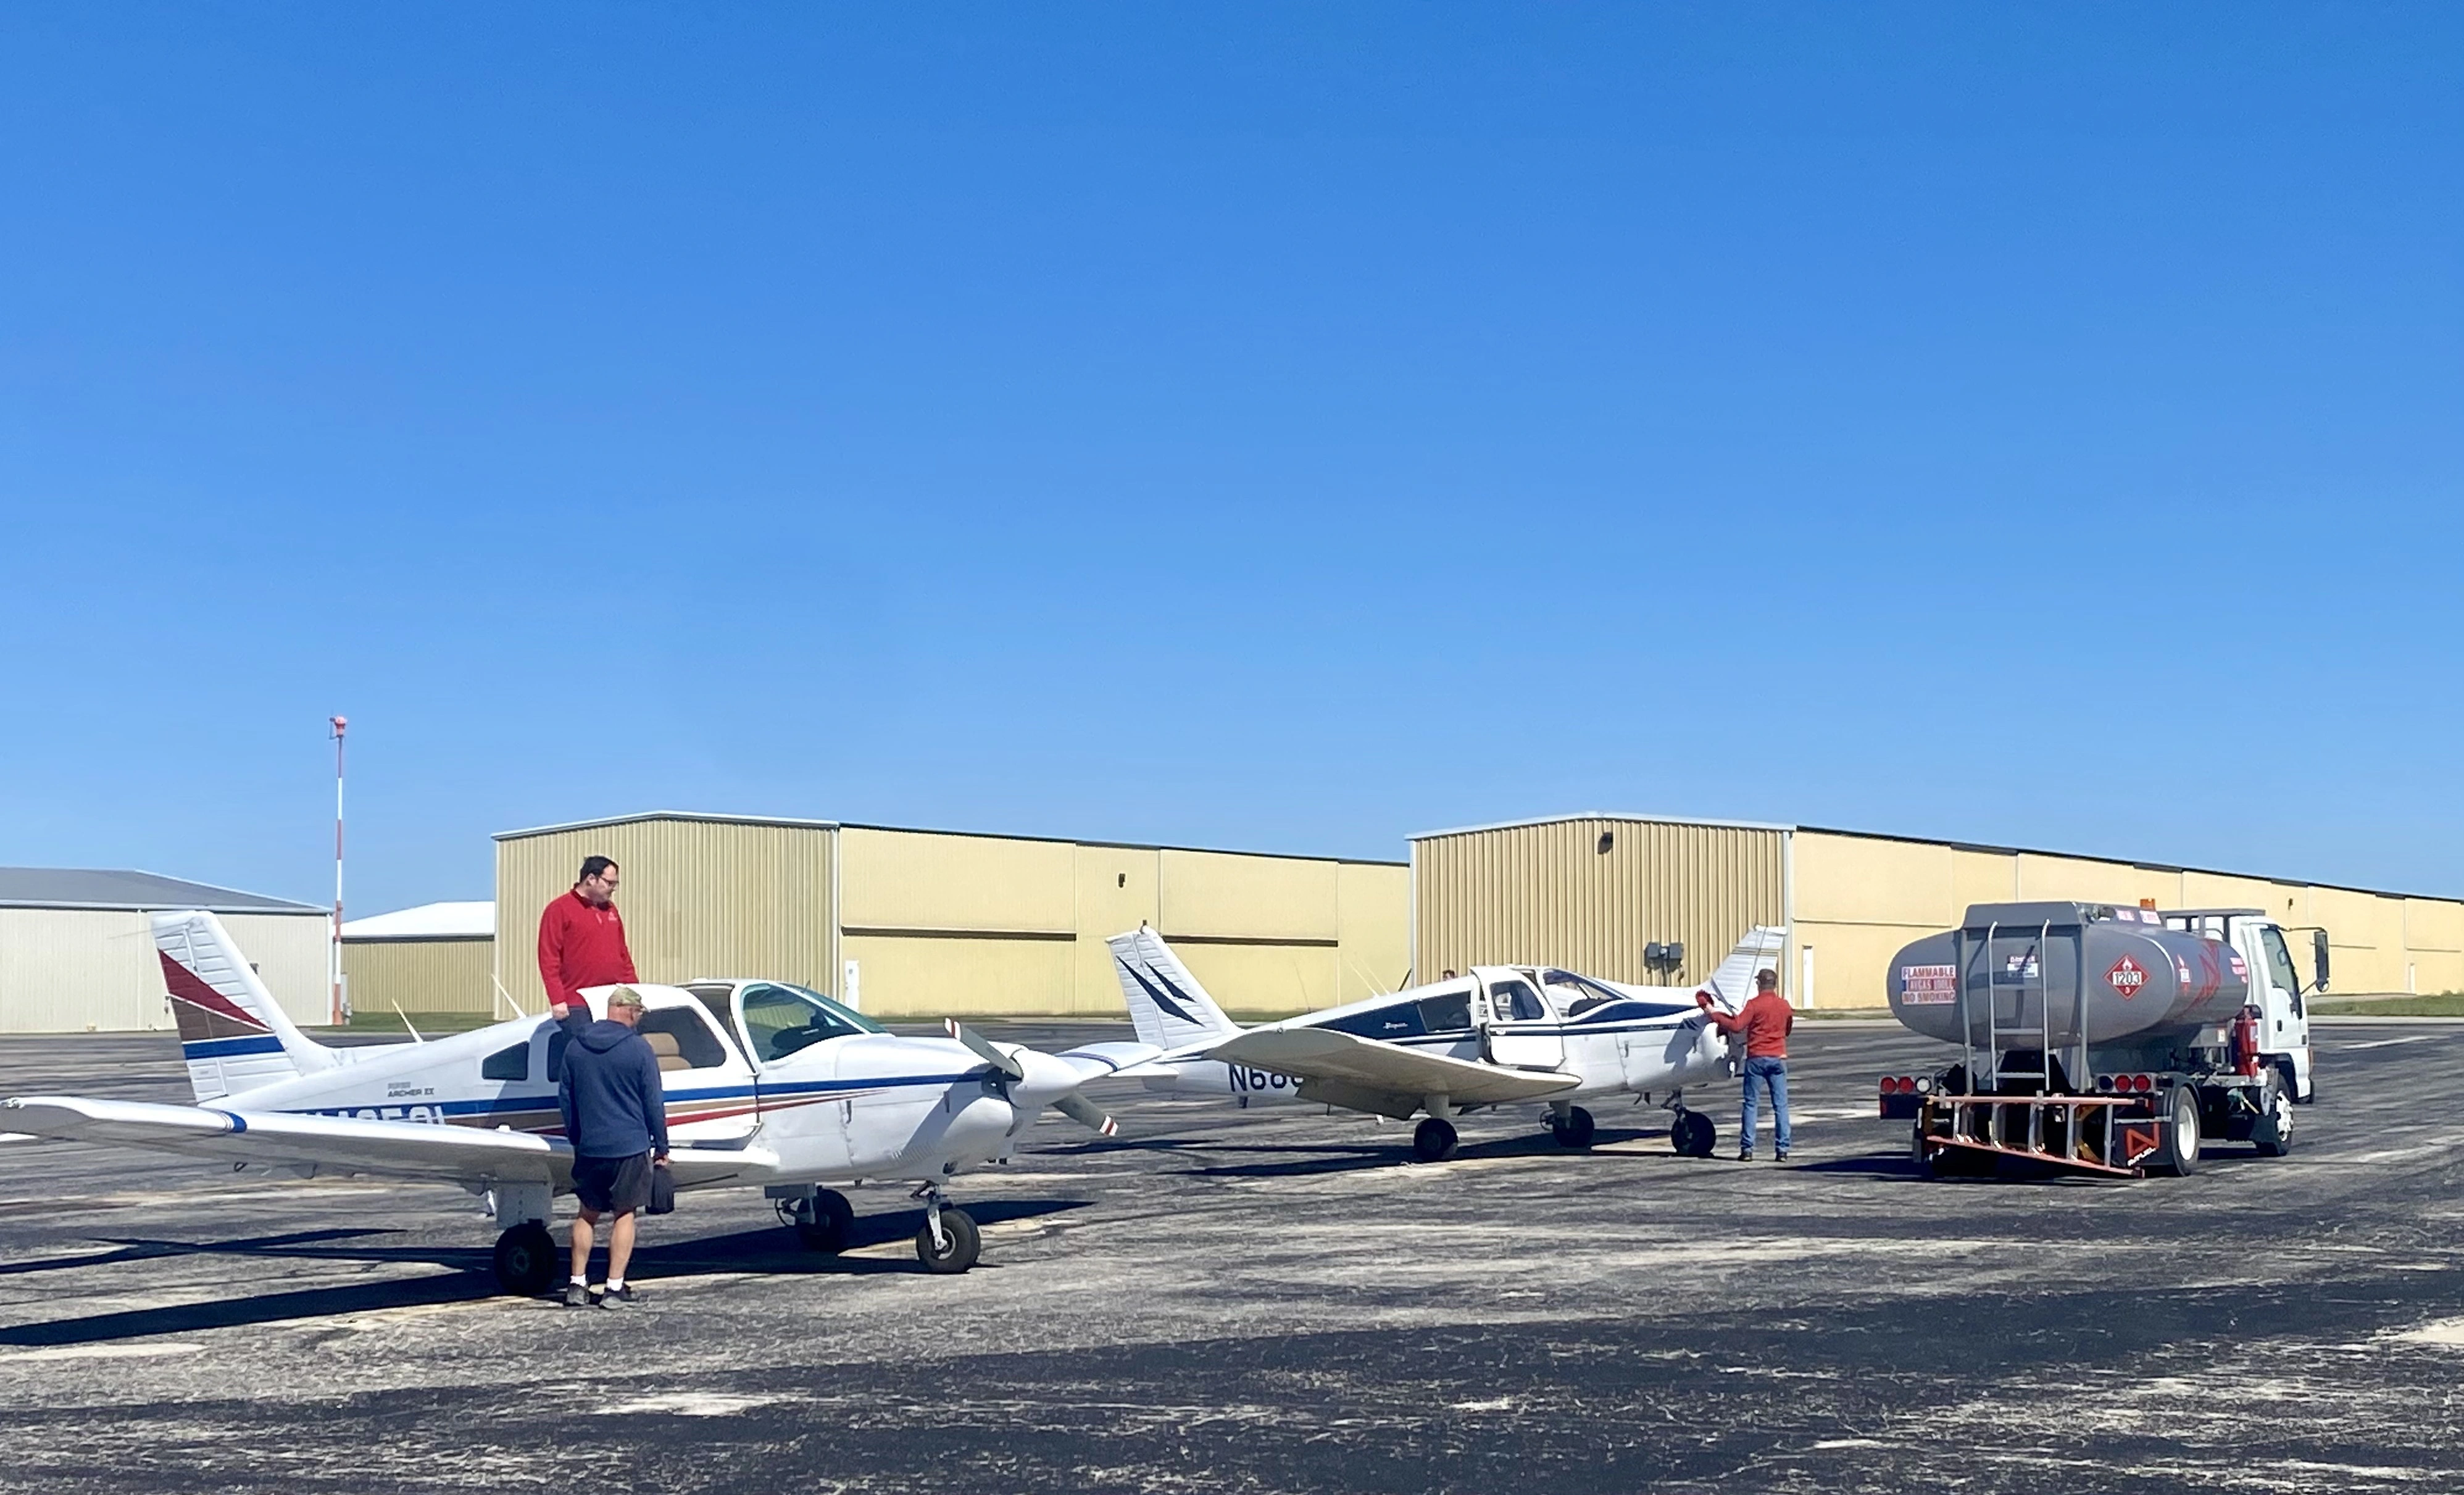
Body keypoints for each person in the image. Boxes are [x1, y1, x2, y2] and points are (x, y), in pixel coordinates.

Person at [556, 985, 670, 1307]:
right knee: (624, 1214)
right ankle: (614, 1287)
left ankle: (577, 1285)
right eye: (638, 1014)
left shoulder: (576, 1047)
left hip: (590, 1146)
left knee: (587, 1214)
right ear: (630, 1011)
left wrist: (577, 1135)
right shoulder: (639, 1049)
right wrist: (661, 1146)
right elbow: (653, 1102)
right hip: (629, 1146)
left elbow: (566, 1097)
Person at [1697, 968, 1795, 1162]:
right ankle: (1782, 1150)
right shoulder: (1784, 1006)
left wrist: (1714, 1014)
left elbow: (1737, 1026)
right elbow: (1788, 1029)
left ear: (1759, 984)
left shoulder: (1754, 1005)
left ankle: (1748, 1150)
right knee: (1781, 1106)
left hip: (1757, 1058)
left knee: (1751, 1104)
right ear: (1774, 984)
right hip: (1778, 1057)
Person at [538, 856, 637, 1033]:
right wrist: (557, 1000)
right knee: (586, 1055)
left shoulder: (611, 910)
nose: (613, 889)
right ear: (591, 879)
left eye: (616, 884)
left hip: (613, 1000)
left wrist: (633, 990)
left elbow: (622, 954)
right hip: (578, 1004)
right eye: (609, 883)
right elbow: (549, 957)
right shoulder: (559, 909)